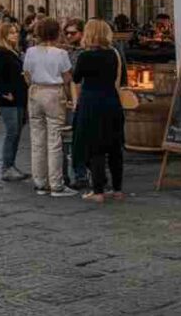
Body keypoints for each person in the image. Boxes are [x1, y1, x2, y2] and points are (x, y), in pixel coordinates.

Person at [72, 19, 127, 203]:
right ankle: (117, 190)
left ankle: (98, 191)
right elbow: (119, 78)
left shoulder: (85, 56)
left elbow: (76, 78)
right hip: (111, 99)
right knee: (114, 147)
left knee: (95, 147)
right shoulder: (113, 54)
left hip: (91, 102)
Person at [23, 18, 77, 197]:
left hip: (35, 91)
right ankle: (56, 184)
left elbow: (27, 75)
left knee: (37, 138)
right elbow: (67, 77)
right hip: (54, 92)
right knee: (55, 139)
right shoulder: (61, 54)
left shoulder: (30, 51)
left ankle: (40, 182)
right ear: (57, 33)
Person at [0, 22, 29, 182]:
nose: (15, 35)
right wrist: (5, 93)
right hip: (9, 100)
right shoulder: (1, 53)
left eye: (16, 32)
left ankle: (11, 165)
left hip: (19, 97)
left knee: (17, 132)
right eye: (11, 33)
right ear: (4, 36)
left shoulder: (14, 52)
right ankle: (7, 167)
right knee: (12, 132)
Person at [62, 18, 90, 190]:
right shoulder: (67, 52)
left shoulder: (85, 53)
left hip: (85, 98)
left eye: (73, 33)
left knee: (82, 139)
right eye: (66, 33)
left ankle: (83, 173)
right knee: (71, 139)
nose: (69, 36)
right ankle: (74, 174)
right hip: (71, 100)